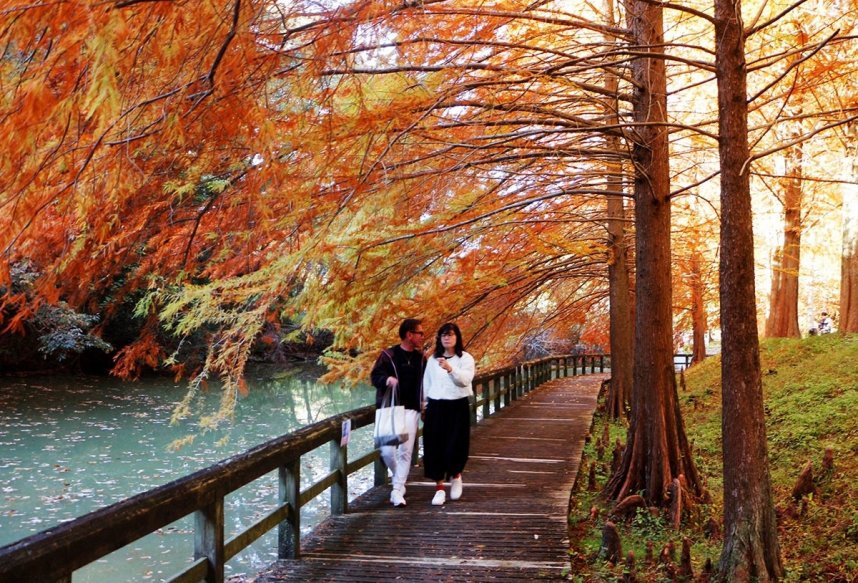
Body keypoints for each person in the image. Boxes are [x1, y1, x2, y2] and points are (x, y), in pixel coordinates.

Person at [370, 318, 426, 507]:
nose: (422, 337)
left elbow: (427, 383)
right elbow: (375, 376)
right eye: (420, 333)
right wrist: (387, 380)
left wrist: (425, 402)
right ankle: (398, 480)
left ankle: (396, 491)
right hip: (390, 410)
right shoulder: (388, 355)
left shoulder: (421, 359)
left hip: (412, 410)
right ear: (409, 335)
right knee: (386, 451)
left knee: (405, 452)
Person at [421, 322, 476, 506]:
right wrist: (425, 403)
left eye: (450, 335)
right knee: (434, 446)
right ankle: (439, 488)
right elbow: (427, 383)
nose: (447, 338)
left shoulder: (465, 358)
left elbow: (466, 381)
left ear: (457, 337)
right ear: (439, 338)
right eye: (443, 335)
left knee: (456, 444)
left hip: (457, 406)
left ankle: (456, 475)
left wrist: (451, 369)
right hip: (436, 406)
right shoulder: (432, 360)